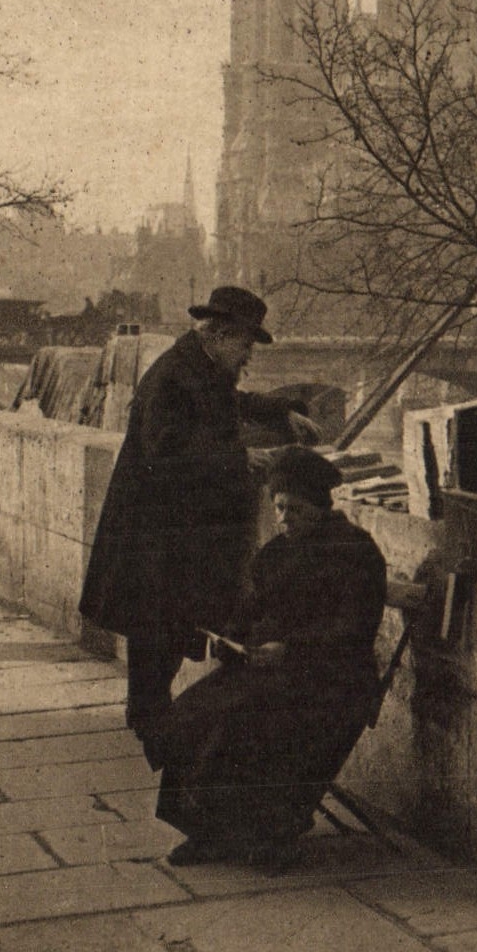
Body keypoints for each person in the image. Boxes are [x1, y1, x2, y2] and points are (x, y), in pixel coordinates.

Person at [78, 286, 317, 765]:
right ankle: (156, 737)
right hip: (154, 535)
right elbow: (164, 454)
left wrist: (278, 410)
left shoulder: (198, 367)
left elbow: (229, 403)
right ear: (221, 335)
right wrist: (241, 456)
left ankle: (160, 734)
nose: (249, 356)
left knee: (164, 633)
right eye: (246, 345)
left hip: (168, 534)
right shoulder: (173, 377)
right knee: (156, 639)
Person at [154, 445, 387, 871]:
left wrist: (291, 648)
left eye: (294, 509)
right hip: (271, 669)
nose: (283, 519)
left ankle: (266, 834)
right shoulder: (277, 552)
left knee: (245, 720)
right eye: (278, 508)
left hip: (332, 675)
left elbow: (352, 630)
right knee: (192, 713)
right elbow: (249, 612)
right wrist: (230, 640)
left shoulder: (356, 551)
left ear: (319, 505)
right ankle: (205, 831)